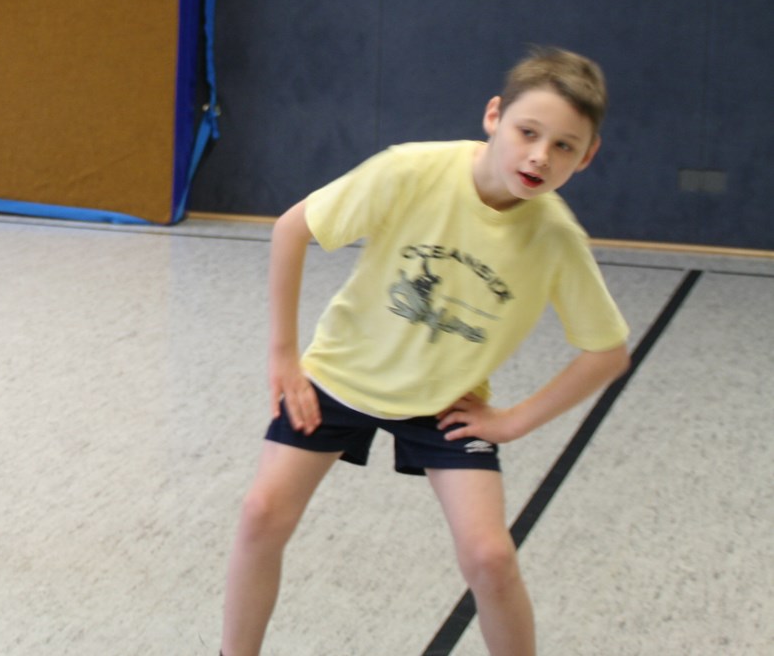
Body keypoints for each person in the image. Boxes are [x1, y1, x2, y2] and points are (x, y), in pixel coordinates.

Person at [221, 47, 631, 655]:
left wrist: (513, 421)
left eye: (564, 146)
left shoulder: (555, 236)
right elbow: (292, 228)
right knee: (261, 514)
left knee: (491, 558)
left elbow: (608, 353)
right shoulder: (411, 170)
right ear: (494, 116)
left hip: (444, 405)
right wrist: (283, 355)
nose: (541, 156)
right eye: (528, 132)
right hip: (339, 378)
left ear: (587, 155)